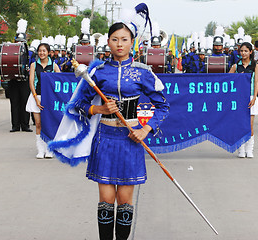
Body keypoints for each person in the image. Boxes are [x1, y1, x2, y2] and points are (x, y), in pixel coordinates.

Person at [51, 21, 169, 239]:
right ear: (108, 42)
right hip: (104, 139)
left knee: (125, 202)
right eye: (115, 39)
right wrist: (98, 108)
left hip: (130, 141)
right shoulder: (98, 72)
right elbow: (77, 105)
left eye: (124, 40)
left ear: (132, 43)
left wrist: (145, 129)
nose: (119, 44)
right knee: (106, 201)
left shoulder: (143, 73)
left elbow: (163, 106)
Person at [26, 43, 60, 158]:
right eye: (40, 51)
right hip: (37, 97)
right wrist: (36, 98)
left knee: (48, 124)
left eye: (44, 51)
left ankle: (49, 149)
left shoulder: (54, 66)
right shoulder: (34, 65)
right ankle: (40, 150)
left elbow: (60, 81)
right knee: (39, 124)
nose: (42, 53)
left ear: (49, 52)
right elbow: (31, 82)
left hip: (49, 99)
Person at [229, 42, 258, 158]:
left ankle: (249, 149)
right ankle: (241, 148)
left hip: (251, 97)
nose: (243, 53)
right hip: (238, 98)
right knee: (239, 124)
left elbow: (257, 82)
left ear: (251, 52)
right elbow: (227, 80)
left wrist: (254, 97)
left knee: (249, 125)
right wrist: (237, 78)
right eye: (241, 51)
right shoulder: (236, 66)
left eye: (246, 51)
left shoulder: (255, 66)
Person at [8, 20, 32, 133]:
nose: (20, 43)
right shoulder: (9, 50)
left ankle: (25, 125)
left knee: (25, 102)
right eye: (18, 41)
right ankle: (15, 125)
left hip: (25, 80)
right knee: (14, 102)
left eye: (22, 41)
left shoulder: (29, 51)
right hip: (13, 79)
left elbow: (32, 62)